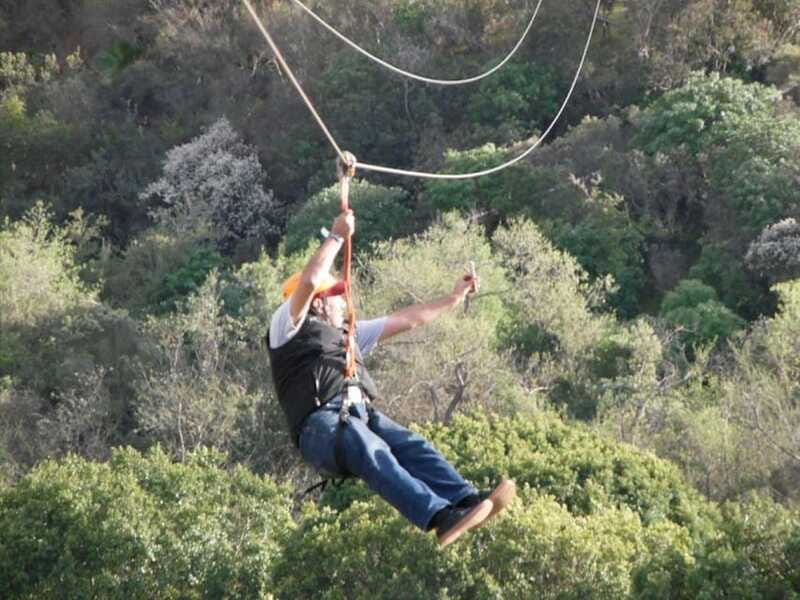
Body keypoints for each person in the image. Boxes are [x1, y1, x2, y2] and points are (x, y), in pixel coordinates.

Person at [267, 209, 515, 547]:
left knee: (412, 446)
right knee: (370, 447)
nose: (343, 300)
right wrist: (337, 236)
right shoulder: (287, 326)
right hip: (320, 428)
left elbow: (407, 319)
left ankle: (464, 502)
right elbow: (310, 282)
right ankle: (439, 518)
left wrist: (453, 299)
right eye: (335, 296)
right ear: (318, 304)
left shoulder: (347, 335)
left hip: (358, 415)